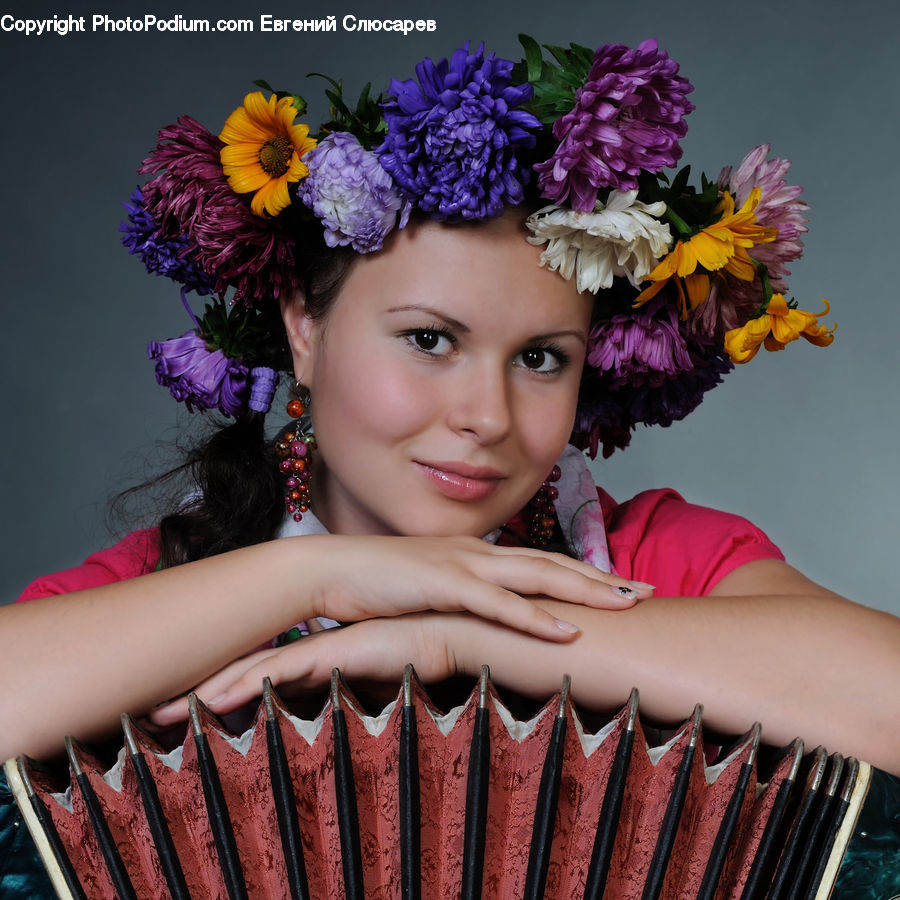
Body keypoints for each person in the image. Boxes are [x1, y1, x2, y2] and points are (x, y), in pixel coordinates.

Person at [1, 37, 898, 783]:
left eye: (542, 359)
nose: (488, 416)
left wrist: (460, 637)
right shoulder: (170, 584)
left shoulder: (650, 559)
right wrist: (321, 579)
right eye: (430, 339)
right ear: (304, 329)